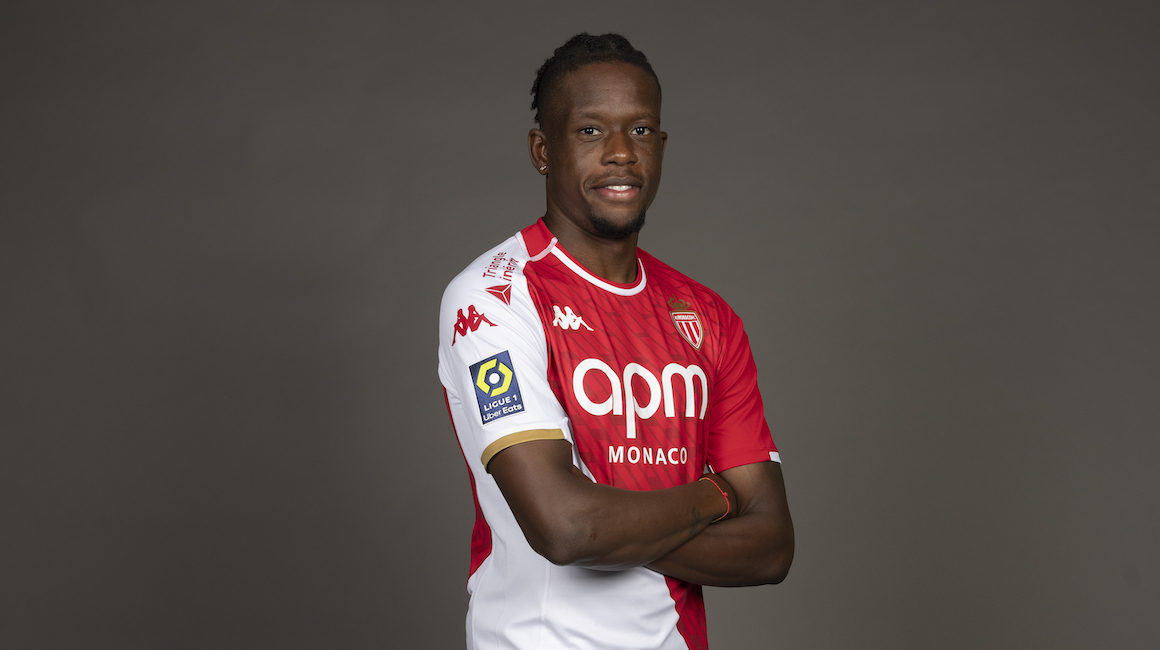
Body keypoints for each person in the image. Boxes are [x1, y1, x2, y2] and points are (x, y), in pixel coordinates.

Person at [437, 33, 794, 650]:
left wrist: (614, 527)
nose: (622, 152)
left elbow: (771, 548)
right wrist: (718, 495)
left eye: (641, 130)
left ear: (662, 147)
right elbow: (567, 529)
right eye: (590, 131)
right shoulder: (493, 299)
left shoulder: (708, 317)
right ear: (542, 150)